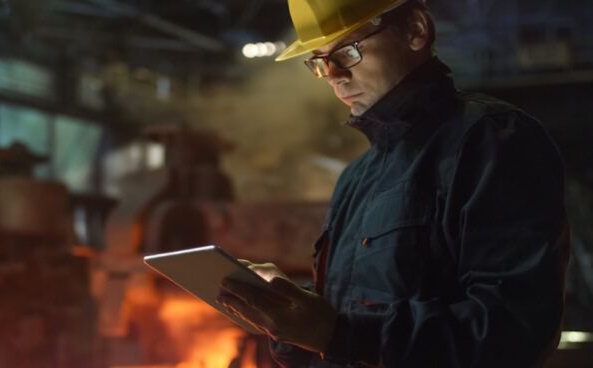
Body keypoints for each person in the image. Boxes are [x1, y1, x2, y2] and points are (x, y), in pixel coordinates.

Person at [217, 0, 571, 366]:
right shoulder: (356, 179)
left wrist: (336, 332)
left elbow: (514, 333)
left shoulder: (491, 141)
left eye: (348, 51)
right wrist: (288, 318)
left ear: (416, 30)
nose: (335, 75)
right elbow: (342, 332)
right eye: (320, 62)